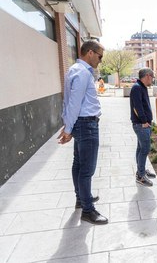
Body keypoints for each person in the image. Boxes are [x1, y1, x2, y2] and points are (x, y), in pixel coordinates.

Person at [57, 40, 108, 225]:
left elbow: (67, 101)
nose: (100, 60)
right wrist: (68, 129)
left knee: (78, 164)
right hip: (86, 125)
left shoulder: (75, 70)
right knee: (87, 169)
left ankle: (81, 198)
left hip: (81, 123)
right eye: (100, 56)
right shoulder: (82, 73)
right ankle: (88, 210)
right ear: (90, 53)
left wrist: (68, 124)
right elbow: (74, 103)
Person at [130, 68, 157, 186]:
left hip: (142, 124)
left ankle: (141, 171)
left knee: (140, 149)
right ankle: (140, 176)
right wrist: (144, 121)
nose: (153, 80)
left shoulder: (141, 87)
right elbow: (137, 107)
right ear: (147, 76)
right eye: (152, 77)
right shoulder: (137, 88)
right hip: (141, 125)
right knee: (145, 149)